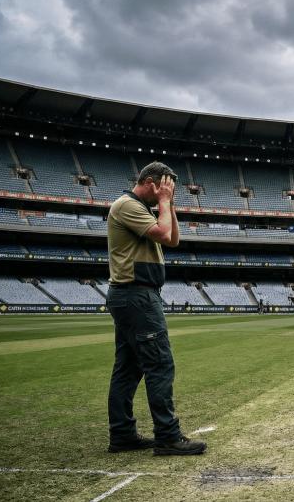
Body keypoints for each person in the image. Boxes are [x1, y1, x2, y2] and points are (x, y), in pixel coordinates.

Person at [105, 161, 206, 456]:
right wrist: (163, 202)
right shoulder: (127, 205)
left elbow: (173, 239)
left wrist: (168, 205)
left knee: (127, 368)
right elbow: (163, 235)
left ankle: (122, 435)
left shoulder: (144, 209)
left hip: (133, 295)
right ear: (151, 183)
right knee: (160, 364)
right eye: (165, 186)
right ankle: (167, 436)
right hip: (136, 296)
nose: (168, 192)